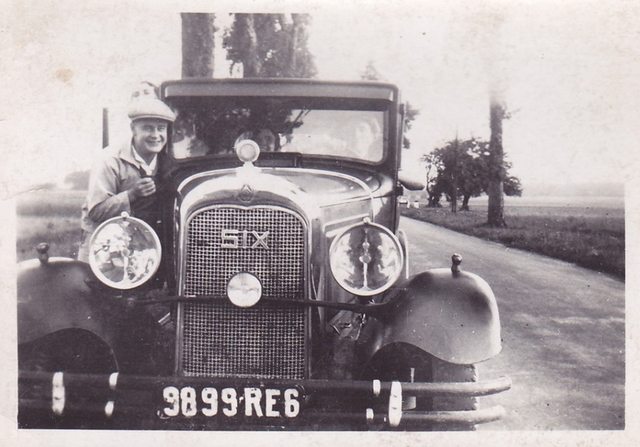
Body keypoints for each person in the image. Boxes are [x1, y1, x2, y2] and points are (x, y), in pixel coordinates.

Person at [77, 97, 176, 263]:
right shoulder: (109, 160)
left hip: (142, 246)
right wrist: (131, 194)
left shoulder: (169, 160)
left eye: (161, 128)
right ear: (133, 129)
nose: (156, 135)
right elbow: (96, 212)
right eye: (148, 128)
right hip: (103, 246)